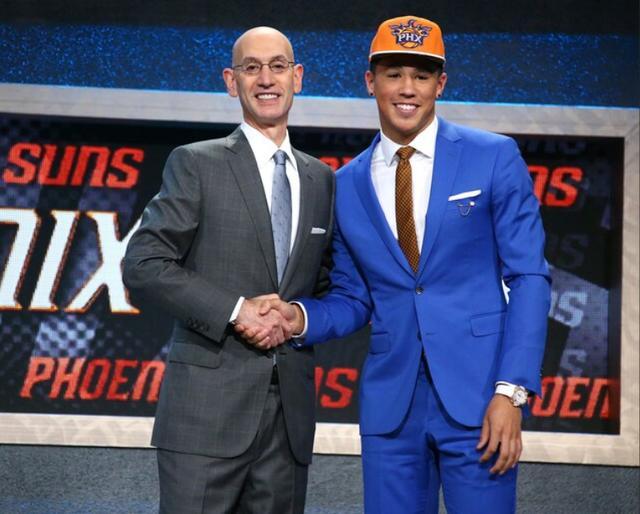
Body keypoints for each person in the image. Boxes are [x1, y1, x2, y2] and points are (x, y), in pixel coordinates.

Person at [237, 15, 550, 514]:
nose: (407, 88)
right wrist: (298, 317)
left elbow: (529, 277)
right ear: (370, 81)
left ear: (440, 84)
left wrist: (511, 392)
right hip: (392, 410)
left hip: (480, 399)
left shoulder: (493, 157)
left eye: (421, 76)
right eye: (393, 74)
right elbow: (353, 297)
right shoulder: (347, 184)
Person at [123, 26, 334, 514]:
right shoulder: (196, 163)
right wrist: (237, 310)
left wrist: (298, 315)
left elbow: (323, 285)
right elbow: (144, 262)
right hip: (204, 417)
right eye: (251, 67)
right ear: (230, 81)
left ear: (298, 77)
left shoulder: (321, 179)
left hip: (288, 424)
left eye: (278, 66)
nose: (266, 79)